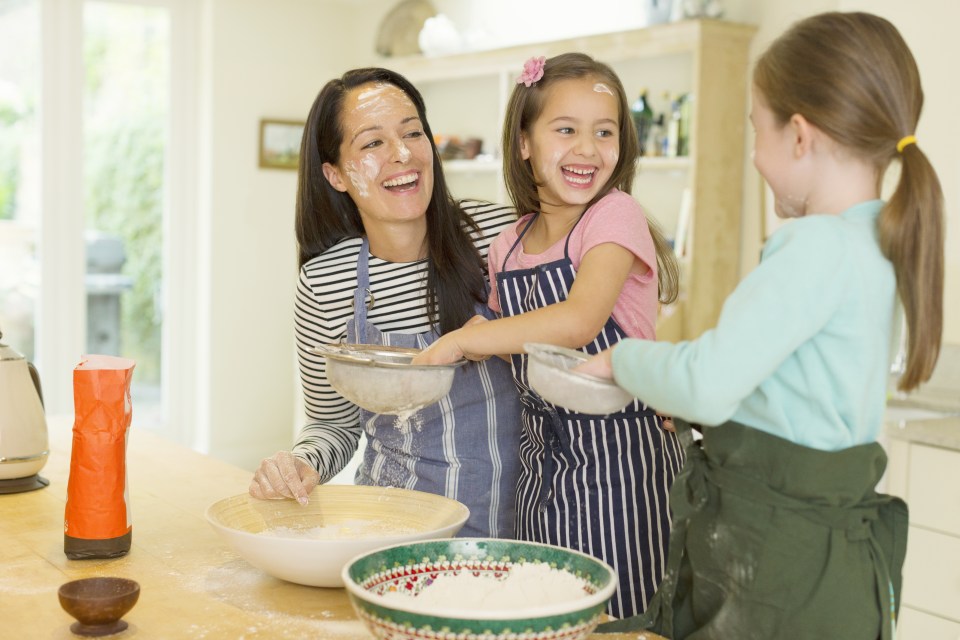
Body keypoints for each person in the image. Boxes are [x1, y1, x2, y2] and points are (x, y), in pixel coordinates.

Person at [578, 12, 945, 639]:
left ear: (799, 136)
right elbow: (799, 393)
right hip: (828, 569)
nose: (753, 155)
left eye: (757, 130)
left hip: (779, 572)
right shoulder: (874, 242)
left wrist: (624, 361)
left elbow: (707, 382)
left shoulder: (814, 246)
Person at [413, 52, 686, 619]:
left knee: (618, 617)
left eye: (604, 132)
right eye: (566, 129)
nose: (588, 149)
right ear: (523, 142)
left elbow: (579, 319)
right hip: (541, 463)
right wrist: (454, 341)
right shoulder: (507, 243)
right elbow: (496, 315)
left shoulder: (614, 216)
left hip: (623, 463)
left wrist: (466, 342)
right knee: (548, 609)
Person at [248, 67, 523, 539]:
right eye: (372, 143)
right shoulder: (325, 281)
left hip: (515, 526)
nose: (402, 154)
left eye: (413, 132)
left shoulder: (500, 237)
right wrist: (299, 463)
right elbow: (332, 423)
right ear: (335, 174)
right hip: (391, 530)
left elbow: (575, 332)